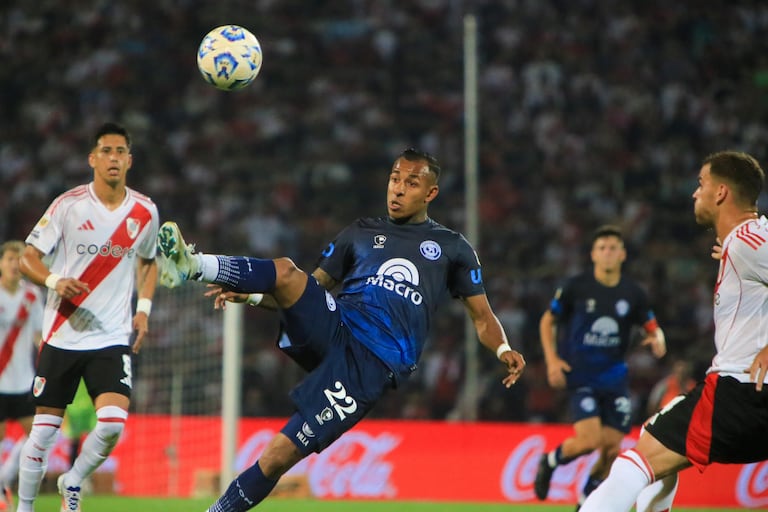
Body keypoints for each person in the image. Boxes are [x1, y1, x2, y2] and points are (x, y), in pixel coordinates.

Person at [156, 147, 526, 512]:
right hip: (336, 325)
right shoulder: (360, 232)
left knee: (276, 456)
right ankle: (193, 264)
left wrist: (502, 349)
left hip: (369, 365)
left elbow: (482, 316)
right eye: (394, 179)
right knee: (285, 271)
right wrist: (253, 297)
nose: (397, 189)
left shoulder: (452, 248)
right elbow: (305, 290)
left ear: (430, 193)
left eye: (411, 183)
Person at [580, 150, 768, 511]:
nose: (694, 193)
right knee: (659, 443)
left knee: (637, 461)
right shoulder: (744, 242)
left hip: (740, 392)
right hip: (750, 396)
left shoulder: (748, 243)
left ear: (722, 192)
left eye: (701, 184)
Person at [16, 122, 159, 512]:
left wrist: (142, 311)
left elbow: (150, 262)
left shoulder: (145, 211)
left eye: (120, 152)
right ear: (92, 159)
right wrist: (55, 279)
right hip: (62, 334)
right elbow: (29, 258)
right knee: (43, 434)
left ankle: (73, 480)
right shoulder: (68, 205)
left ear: (130, 160)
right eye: (106, 151)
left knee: (112, 423)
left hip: (111, 337)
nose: (113, 158)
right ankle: (24, 508)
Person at [534, 225, 666, 509]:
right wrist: (553, 360)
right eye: (602, 248)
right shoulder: (576, 287)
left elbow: (651, 326)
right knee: (589, 440)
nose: (608, 253)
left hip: (615, 378)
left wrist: (657, 338)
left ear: (623, 255)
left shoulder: (633, 293)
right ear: (593, 254)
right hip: (581, 374)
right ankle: (550, 460)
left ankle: (584, 503)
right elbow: (548, 320)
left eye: (613, 248)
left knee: (610, 451)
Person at [0, 241, 43, 512]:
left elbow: (40, 336)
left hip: (25, 381)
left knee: (38, 438)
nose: (15, 264)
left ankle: (5, 477)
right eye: (10, 259)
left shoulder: (32, 295)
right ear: (1, 264)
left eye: (19, 260)